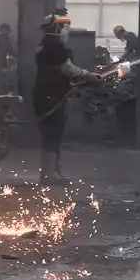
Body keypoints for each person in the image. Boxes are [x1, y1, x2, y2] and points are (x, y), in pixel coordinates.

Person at [32, 9, 99, 181]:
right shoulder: (56, 47)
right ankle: (50, 173)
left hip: (44, 93)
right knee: (54, 133)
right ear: (56, 29)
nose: (66, 31)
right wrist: (89, 75)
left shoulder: (43, 46)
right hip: (51, 95)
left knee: (49, 134)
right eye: (63, 27)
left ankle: (48, 171)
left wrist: (70, 84)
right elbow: (69, 69)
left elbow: (58, 71)